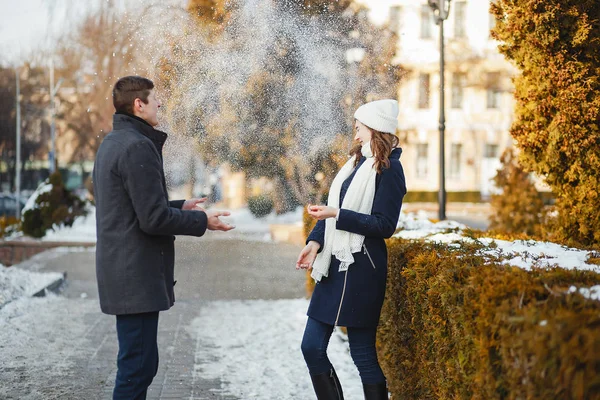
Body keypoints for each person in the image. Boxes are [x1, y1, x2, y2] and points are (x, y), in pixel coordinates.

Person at [93, 76, 234, 400]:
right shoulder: (136, 146)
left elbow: (132, 207)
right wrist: (202, 221)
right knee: (138, 367)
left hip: (124, 271)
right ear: (138, 105)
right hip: (134, 274)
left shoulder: (114, 142)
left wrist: (179, 206)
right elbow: (153, 219)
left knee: (139, 363)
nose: (160, 104)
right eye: (154, 99)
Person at [297, 99, 406, 400]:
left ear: (375, 129)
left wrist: (338, 215)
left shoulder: (390, 170)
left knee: (363, 356)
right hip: (334, 265)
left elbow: (384, 225)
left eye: (360, 128)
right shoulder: (355, 165)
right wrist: (314, 242)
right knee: (311, 347)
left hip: (362, 271)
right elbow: (334, 213)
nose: (356, 136)